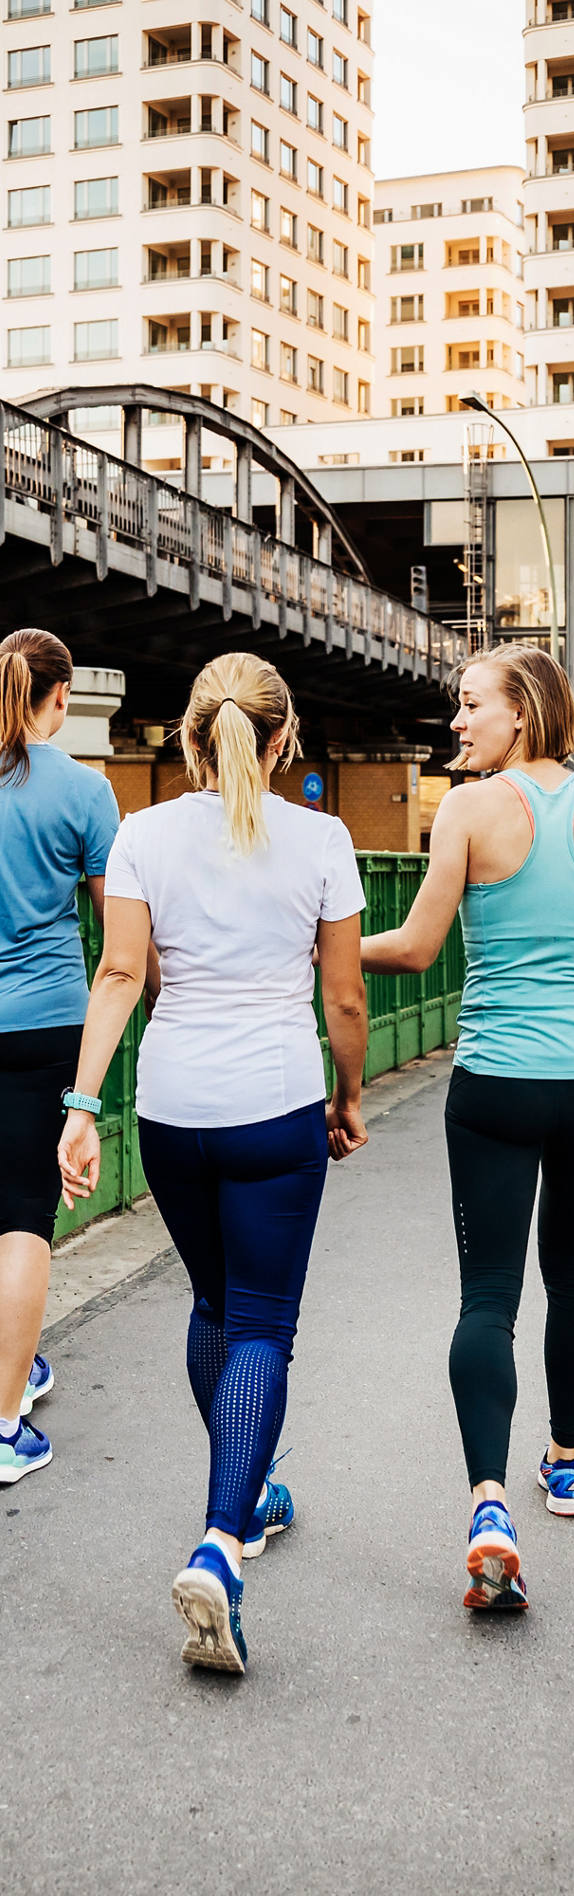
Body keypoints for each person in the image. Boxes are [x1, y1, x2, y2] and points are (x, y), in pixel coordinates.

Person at [58, 651, 368, 1674]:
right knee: (266, 1323)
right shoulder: (322, 836)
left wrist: (81, 1102)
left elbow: (119, 972)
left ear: (193, 735)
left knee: (214, 1307)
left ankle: (248, 1492)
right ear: (282, 742)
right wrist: (349, 1091)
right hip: (276, 1103)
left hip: (173, 1108)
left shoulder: (141, 833)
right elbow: (345, 1000)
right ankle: (220, 1541)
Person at [361, 644, 574, 1613]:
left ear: (524, 710)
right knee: (572, 1271)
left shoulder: (465, 811)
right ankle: (570, 1461)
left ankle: (490, 1507)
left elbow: (416, 948)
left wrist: (327, 941)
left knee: (490, 1296)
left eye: (470, 705)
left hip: (497, 1080)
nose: (456, 721)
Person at [0, 628, 120, 1484]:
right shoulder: (85, 792)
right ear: (61, 695)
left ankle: (19, 1365)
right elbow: (122, 940)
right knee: (22, 1217)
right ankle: (5, 1425)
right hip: (45, 1024)